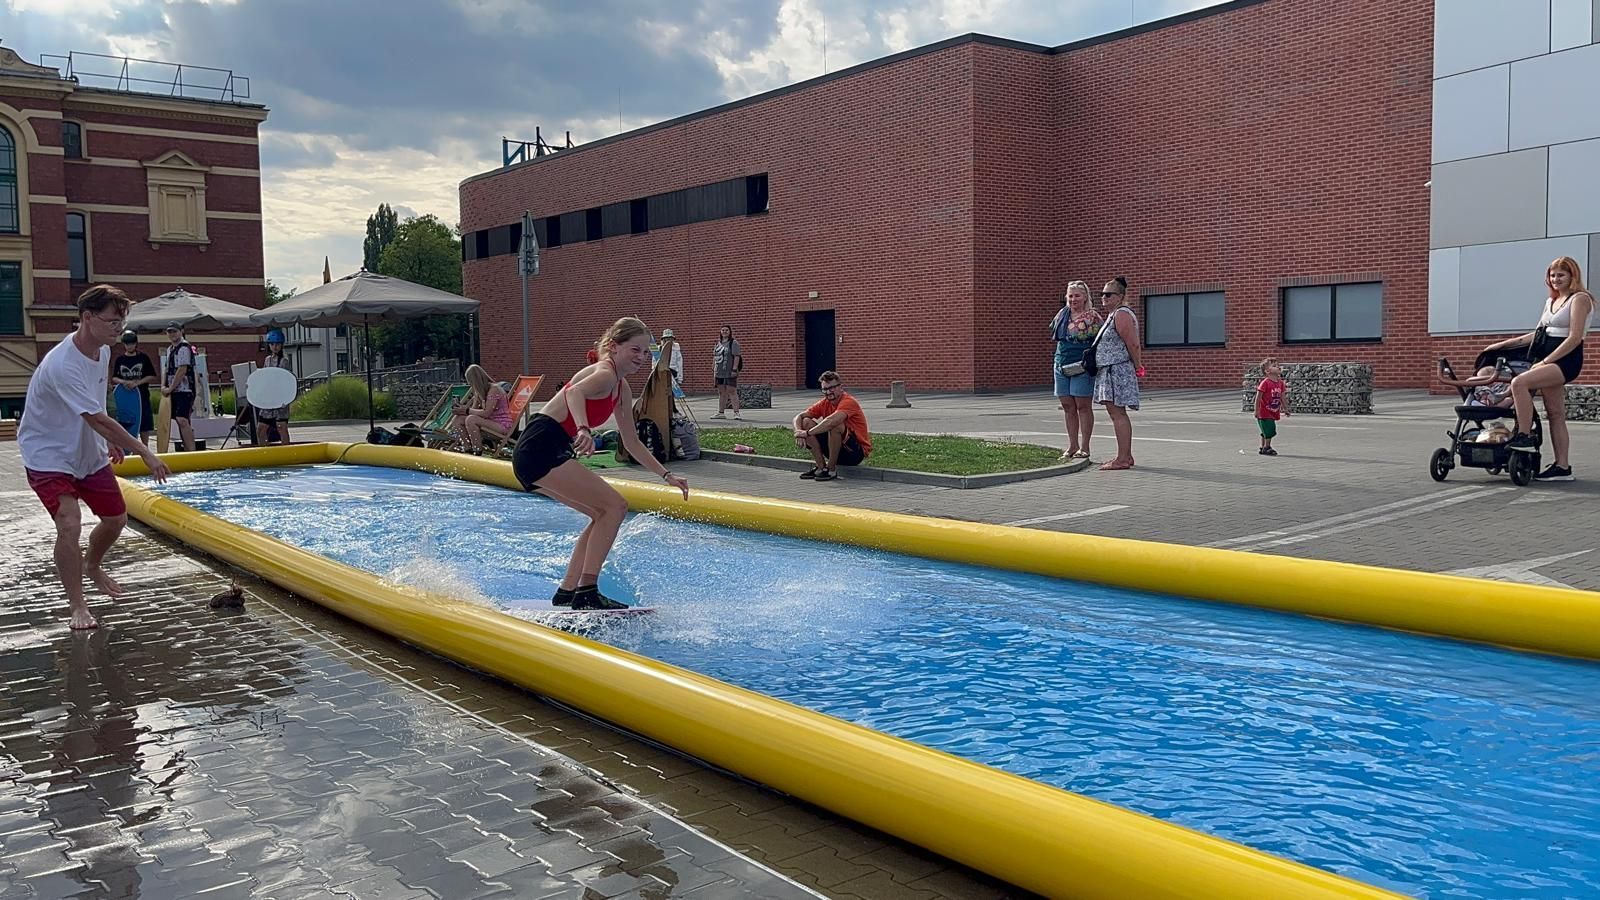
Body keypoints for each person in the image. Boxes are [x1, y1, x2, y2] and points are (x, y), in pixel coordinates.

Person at [18, 285, 172, 630]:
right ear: (87, 318)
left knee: (116, 519)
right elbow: (98, 418)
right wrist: (144, 450)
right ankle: (78, 605)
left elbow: (95, 405)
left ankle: (93, 565)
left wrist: (106, 442)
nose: (120, 328)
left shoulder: (102, 352)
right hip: (48, 453)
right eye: (113, 321)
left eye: (122, 321)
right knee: (69, 523)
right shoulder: (62, 364)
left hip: (86, 449)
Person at [512, 318, 690, 610]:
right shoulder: (605, 373)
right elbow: (573, 392)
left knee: (601, 513)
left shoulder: (621, 388)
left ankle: (568, 591)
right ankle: (587, 591)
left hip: (545, 448)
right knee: (615, 506)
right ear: (613, 347)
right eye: (635, 349)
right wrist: (583, 429)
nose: (641, 358)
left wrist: (666, 475)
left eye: (646, 352)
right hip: (539, 446)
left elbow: (632, 442)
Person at [1488, 256, 1594, 482]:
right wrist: (1503, 344)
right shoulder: (1551, 301)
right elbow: (1536, 334)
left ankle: (1524, 435)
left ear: (1572, 276)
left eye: (1561, 275)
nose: (1555, 279)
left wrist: (1546, 362)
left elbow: (1575, 337)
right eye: (1552, 275)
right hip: (1548, 358)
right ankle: (1562, 467)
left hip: (1566, 360)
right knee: (1556, 414)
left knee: (1520, 382)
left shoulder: (1580, 299)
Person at [1093, 277, 1143, 471]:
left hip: (1117, 369)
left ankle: (1122, 458)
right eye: (1102, 294)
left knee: (1117, 414)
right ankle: (1126, 455)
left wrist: (1138, 366)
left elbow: (1133, 343)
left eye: (1108, 294)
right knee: (1116, 413)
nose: (1104, 298)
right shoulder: (1114, 314)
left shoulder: (1121, 314)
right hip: (1110, 369)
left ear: (1120, 296)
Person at [792, 370, 872, 481]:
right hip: (835, 449)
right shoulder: (824, 402)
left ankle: (831, 469)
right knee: (806, 421)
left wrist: (806, 433)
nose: (828, 392)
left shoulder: (849, 401)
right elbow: (799, 416)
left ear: (840, 387)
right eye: (825, 389)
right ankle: (821, 468)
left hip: (854, 453)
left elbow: (831, 421)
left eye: (831, 388)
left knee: (835, 425)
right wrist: (798, 432)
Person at [1052, 281, 1101, 460]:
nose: (1073, 299)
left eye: (1077, 295)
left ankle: (1085, 447)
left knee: (1083, 406)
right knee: (1067, 406)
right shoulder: (1062, 314)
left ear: (1085, 297)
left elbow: (1099, 342)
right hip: (1061, 364)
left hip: (1082, 366)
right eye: (1070, 295)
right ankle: (1073, 445)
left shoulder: (1092, 317)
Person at [450, 364, 514, 454]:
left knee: (471, 420)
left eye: (471, 382)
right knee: (458, 419)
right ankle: (467, 447)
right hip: (489, 423)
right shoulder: (479, 391)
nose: (470, 385)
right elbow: (473, 410)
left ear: (476, 381)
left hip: (502, 425)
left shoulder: (494, 389)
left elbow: (486, 413)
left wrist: (467, 410)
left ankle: (477, 450)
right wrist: (461, 411)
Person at [111, 330, 157, 446]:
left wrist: (138, 382)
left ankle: (145, 446)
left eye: (131, 343)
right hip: (126, 398)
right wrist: (124, 382)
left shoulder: (143, 358)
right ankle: (128, 445)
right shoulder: (120, 360)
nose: (129, 346)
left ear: (136, 344)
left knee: (144, 423)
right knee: (127, 421)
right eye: (127, 344)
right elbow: (114, 378)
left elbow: (151, 375)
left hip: (141, 395)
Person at [254, 329, 294, 445]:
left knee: (281, 427)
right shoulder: (267, 360)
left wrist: (285, 399)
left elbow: (286, 380)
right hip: (268, 400)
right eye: (272, 344)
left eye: (277, 344)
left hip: (280, 400)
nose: (275, 347)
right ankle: (264, 452)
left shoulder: (284, 361)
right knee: (261, 428)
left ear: (281, 345)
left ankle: (286, 452)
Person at [161, 323, 197, 451]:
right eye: (169, 332)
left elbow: (182, 369)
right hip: (173, 390)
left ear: (181, 331)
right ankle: (187, 447)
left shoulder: (184, 347)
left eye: (174, 331)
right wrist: (163, 386)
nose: (172, 334)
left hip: (185, 389)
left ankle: (192, 451)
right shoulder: (170, 349)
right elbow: (166, 369)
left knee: (182, 419)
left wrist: (170, 388)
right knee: (179, 419)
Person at [1437, 362, 1514, 409]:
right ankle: (1483, 404)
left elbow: (1510, 389)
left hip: (1499, 399)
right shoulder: (1481, 386)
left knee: (1509, 400)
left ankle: (1494, 407)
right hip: (1485, 399)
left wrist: (1507, 391)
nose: (1480, 381)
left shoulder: (1502, 383)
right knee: (1482, 391)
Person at [1253, 358, 1290, 455]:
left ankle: (1262, 446)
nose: (1278, 367)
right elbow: (1258, 397)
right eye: (1274, 366)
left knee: (1266, 430)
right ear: (1267, 371)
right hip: (1264, 411)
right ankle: (1267, 447)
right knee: (1270, 430)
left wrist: (1285, 408)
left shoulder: (1280, 383)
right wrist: (1256, 410)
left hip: (1273, 411)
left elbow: (1282, 397)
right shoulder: (1265, 383)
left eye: (1278, 365)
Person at [711, 325, 743, 420]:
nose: (724, 332)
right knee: (721, 392)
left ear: (730, 332)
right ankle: (721, 412)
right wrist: (713, 367)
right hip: (719, 371)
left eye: (726, 330)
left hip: (729, 371)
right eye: (723, 330)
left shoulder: (733, 343)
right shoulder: (718, 344)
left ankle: (736, 413)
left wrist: (734, 369)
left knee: (732, 391)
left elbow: (737, 356)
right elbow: (715, 356)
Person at [658, 328, 684, 396]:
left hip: (673, 372)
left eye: (670, 338)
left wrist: (680, 377)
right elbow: (654, 363)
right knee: (663, 393)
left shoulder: (676, 347)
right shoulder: (659, 348)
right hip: (662, 371)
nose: (668, 340)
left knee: (672, 394)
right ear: (663, 339)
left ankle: (671, 406)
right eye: (666, 338)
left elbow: (679, 362)